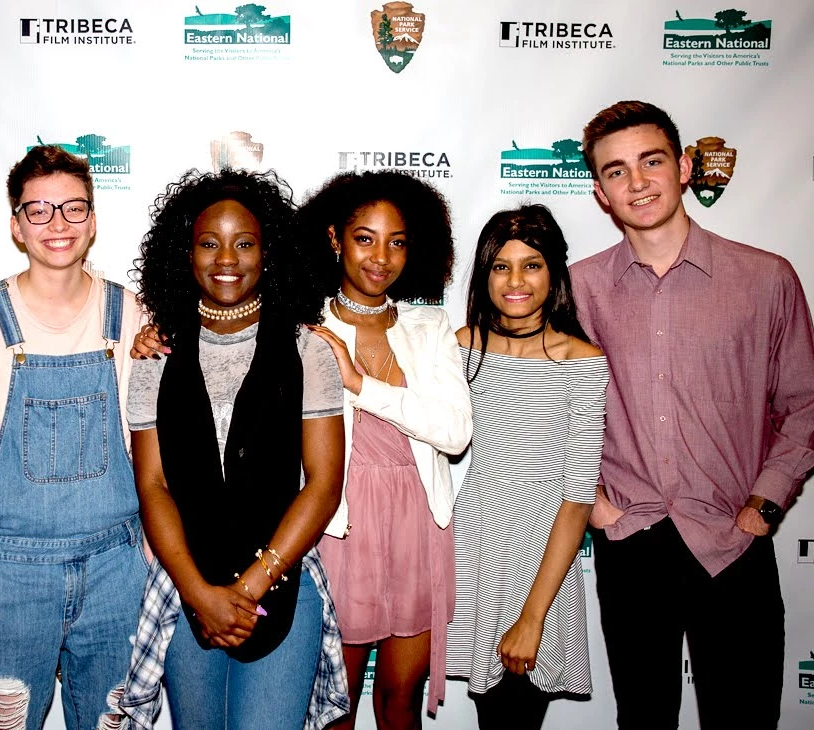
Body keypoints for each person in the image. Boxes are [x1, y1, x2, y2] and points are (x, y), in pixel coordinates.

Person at [572, 100, 814, 730]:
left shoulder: (765, 279)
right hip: (631, 543)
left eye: (651, 162)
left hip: (734, 542)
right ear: (600, 192)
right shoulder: (579, 290)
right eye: (617, 172)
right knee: (643, 720)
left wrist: (764, 507)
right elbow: (551, 410)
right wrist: (596, 506)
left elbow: (806, 404)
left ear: (683, 167)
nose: (638, 182)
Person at [113, 168, 348, 729]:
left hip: (280, 586)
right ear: (185, 252)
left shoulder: (306, 350)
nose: (227, 259)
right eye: (209, 243)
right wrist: (201, 594)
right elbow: (153, 484)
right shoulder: (155, 353)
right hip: (183, 590)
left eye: (244, 243)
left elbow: (322, 483)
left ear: (269, 253)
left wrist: (249, 586)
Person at [0, 145, 149, 729]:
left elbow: (146, 443)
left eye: (73, 209)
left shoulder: (128, 313)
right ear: (16, 225)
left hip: (116, 566)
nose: (58, 225)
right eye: (39, 211)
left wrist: (150, 556)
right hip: (7, 569)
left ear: (93, 221)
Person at [296, 170, 472, 728]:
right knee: (334, 703)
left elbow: (454, 431)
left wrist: (358, 382)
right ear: (334, 240)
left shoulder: (429, 325)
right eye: (365, 237)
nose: (381, 256)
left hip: (418, 528)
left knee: (400, 702)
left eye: (396, 241)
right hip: (337, 527)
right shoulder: (302, 328)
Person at [449, 204, 606, 730]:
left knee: (516, 718)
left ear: (554, 271)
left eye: (531, 265)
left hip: (542, 561)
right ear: (484, 274)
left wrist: (533, 616)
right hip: (472, 548)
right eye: (501, 266)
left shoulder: (583, 361)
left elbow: (579, 495)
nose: (515, 281)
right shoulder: (460, 347)